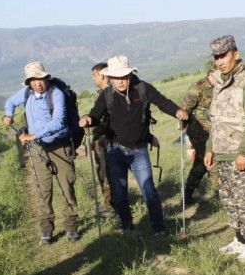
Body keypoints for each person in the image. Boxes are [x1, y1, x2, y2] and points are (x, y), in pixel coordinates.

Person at [79, 55, 188, 237]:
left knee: (149, 191)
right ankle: (128, 227)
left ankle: (159, 229)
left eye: (123, 76)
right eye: (116, 77)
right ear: (110, 78)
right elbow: (96, 114)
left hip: (139, 150)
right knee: (120, 193)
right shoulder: (107, 95)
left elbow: (163, 102)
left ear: (130, 74)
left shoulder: (143, 88)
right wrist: (87, 119)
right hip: (116, 150)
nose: (120, 81)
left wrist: (177, 111)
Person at [203, 35, 245, 263]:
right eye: (217, 57)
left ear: (235, 54)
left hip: (238, 153)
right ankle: (239, 238)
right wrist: (210, 148)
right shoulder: (220, 85)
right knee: (229, 199)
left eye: (224, 55)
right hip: (221, 152)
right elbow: (216, 120)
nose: (220, 61)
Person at [3, 62, 79, 245]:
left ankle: (71, 227)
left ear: (47, 78)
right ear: (29, 82)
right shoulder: (27, 93)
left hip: (59, 145)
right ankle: (46, 229)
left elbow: (59, 122)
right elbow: (11, 102)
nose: (38, 83)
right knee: (42, 190)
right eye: (33, 79)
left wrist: (33, 135)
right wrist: (8, 113)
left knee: (66, 187)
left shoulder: (57, 94)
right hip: (38, 149)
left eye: (41, 79)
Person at [179, 70, 217, 205]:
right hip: (199, 132)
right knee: (212, 161)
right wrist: (183, 125)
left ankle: (187, 194)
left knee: (201, 164)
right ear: (211, 73)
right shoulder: (198, 87)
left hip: (214, 132)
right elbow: (184, 109)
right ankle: (225, 195)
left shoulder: (219, 86)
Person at [89, 62, 116, 218]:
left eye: (94, 75)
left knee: (106, 173)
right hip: (104, 139)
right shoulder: (108, 93)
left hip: (106, 141)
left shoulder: (108, 94)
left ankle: (111, 206)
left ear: (103, 75)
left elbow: (107, 120)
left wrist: (99, 137)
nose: (93, 79)